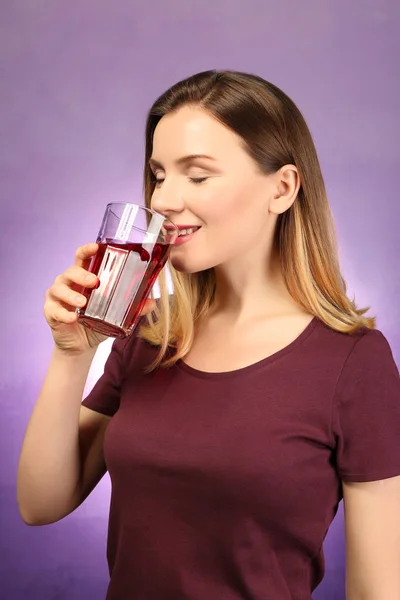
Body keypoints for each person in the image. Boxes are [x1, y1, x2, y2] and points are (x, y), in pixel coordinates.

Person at [17, 70, 400, 600]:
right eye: (158, 174)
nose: (165, 200)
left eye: (196, 176)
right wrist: (71, 356)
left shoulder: (353, 362)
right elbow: (40, 504)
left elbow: (377, 591)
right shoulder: (150, 334)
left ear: (282, 188)